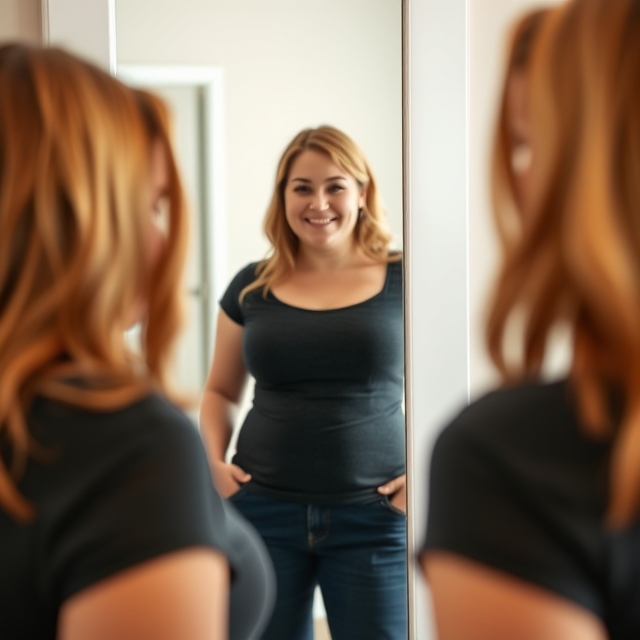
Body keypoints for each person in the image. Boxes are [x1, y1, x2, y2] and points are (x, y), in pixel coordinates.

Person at [0, 43, 273, 640]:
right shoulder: (120, 443)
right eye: (144, 206)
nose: (160, 241)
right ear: (57, 216)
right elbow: (223, 389)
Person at [420, 1, 640, 638]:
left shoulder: (514, 461)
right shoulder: (252, 285)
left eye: (535, 144)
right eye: (519, 147)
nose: (524, 180)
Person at [200, 125, 406, 640]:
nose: (319, 202)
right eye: (302, 187)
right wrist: (209, 464)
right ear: (283, 197)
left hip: (375, 519)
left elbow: (448, 381)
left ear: (362, 193)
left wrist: (428, 472)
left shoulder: (407, 278)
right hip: (260, 513)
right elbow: (220, 392)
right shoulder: (251, 285)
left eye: (336, 185)